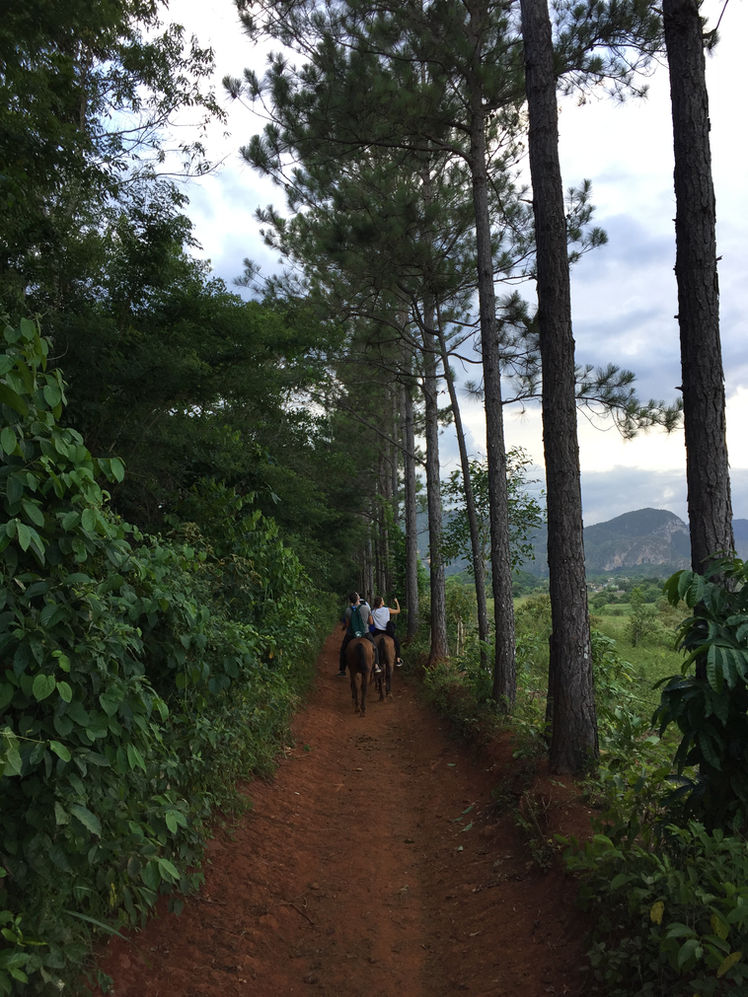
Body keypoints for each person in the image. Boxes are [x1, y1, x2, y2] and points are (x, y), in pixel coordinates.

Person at [338, 592, 380, 676]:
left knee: (343, 649)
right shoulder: (365, 608)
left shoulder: (348, 610)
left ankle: (342, 670)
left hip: (352, 634)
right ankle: (376, 665)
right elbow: (371, 622)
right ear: (358, 598)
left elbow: (347, 624)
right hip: (365, 633)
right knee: (375, 647)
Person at [370, 595, 403, 666]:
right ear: (381, 603)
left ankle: (372, 661)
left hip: (377, 632)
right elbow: (398, 611)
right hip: (387, 632)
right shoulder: (387, 609)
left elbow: (371, 623)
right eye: (382, 600)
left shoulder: (373, 612)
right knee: (396, 643)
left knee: (370, 644)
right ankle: (398, 659)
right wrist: (396, 602)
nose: (383, 601)